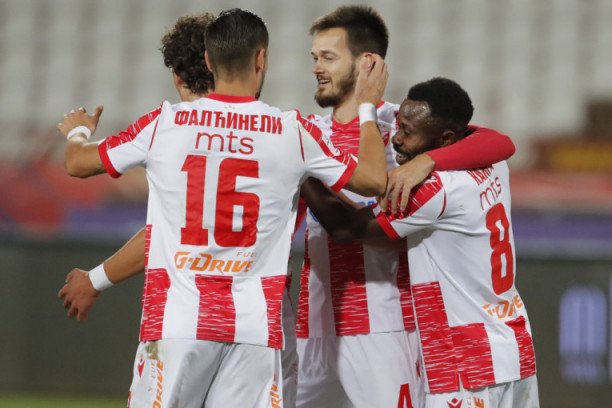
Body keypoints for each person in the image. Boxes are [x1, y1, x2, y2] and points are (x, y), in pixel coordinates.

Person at [56, 8, 391, 408]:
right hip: (256, 331)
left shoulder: (165, 124)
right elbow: (374, 180)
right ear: (261, 59)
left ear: (209, 60)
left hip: (176, 322)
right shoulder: (292, 131)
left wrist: (78, 130)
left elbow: (77, 163)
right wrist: (368, 106)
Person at [295, 6, 516, 408]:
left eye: (328, 57)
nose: (316, 68)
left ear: (367, 62)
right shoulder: (305, 132)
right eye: (315, 57)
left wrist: (428, 159)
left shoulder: (403, 126)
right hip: (313, 326)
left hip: (386, 328)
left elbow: (497, 142)